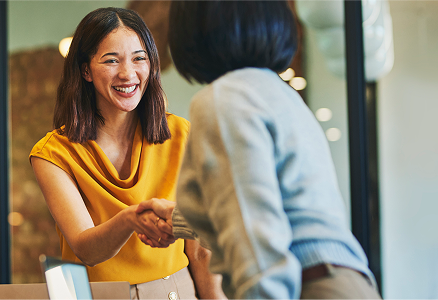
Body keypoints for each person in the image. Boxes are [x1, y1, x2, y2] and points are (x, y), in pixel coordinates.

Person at [136, 0, 384, 299]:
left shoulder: (224, 99)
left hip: (308, 287)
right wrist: (177, 221)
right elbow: (273, 208)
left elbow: (255, 245)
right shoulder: (279, 93)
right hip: (343, 281)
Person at [29, 7, 224, 300]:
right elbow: (86, 249)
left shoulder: (183, 135)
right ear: (85, 71)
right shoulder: (52, 154)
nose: (127, 73)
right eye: (111, 60)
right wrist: (130, 219)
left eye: (139, 58)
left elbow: (201, 251)